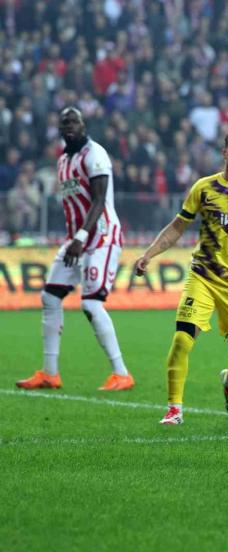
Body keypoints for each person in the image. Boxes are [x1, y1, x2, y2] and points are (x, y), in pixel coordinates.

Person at [134, 129, 228, 424]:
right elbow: (177, 226)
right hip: (203, 276)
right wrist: (149, 254)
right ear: (224, 153)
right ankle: (174, 408)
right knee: (181, 340)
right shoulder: (204, 187)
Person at [16, 107, 132, 391]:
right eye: (64, 122)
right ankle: (50, 373)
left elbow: (99, 200)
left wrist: (81, 237)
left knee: (91, 303)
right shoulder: (63, 161)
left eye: (74, 121)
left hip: (100, 236)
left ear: (84, 125)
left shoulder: (95, 154)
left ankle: (121, 373)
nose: (69, 125)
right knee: (50, 296)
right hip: (75, 240)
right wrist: (74, 238)